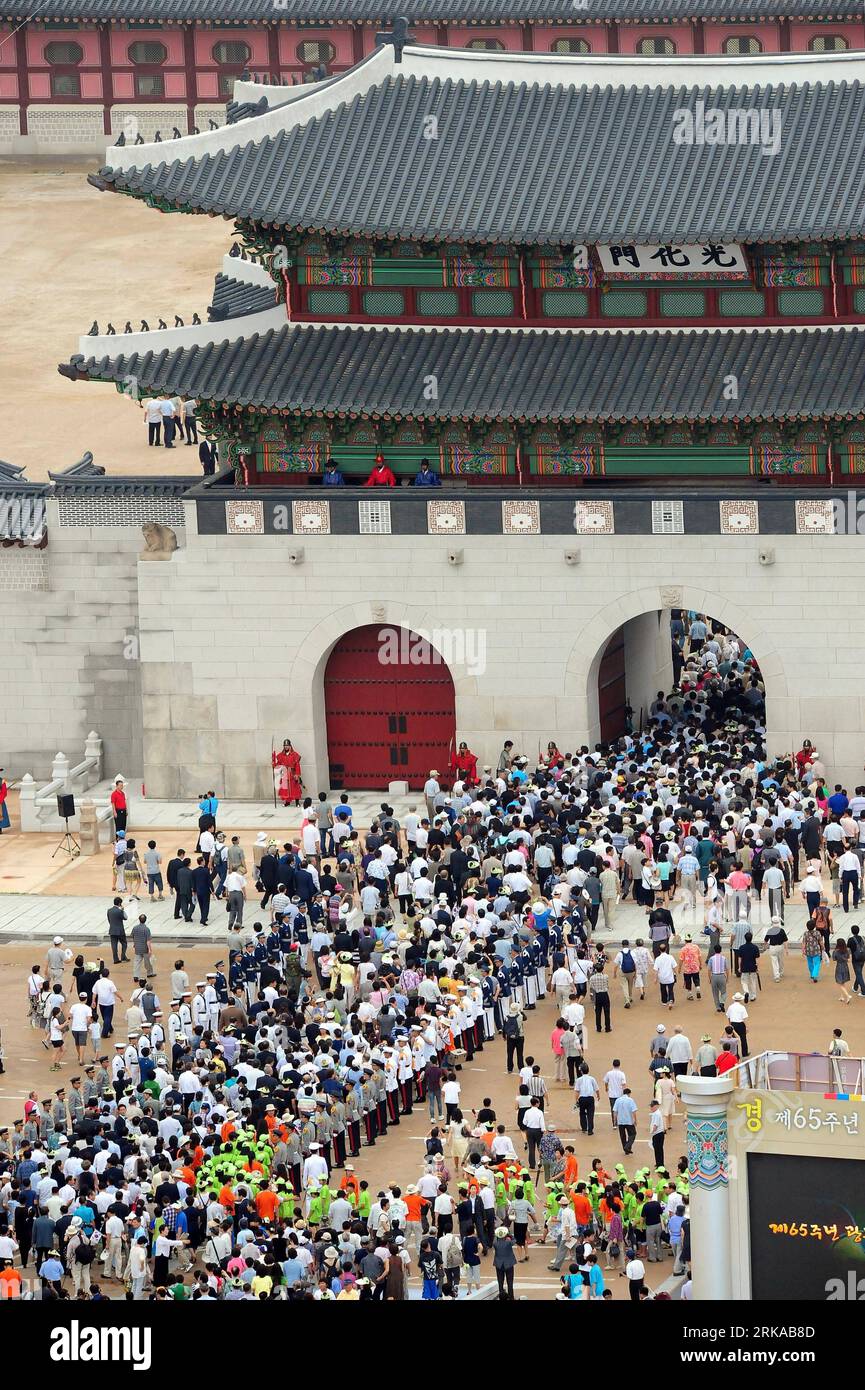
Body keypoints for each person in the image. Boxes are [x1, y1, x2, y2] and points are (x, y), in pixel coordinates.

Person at [272, 740, 303, 806]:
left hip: (293, 774)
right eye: (285, 746)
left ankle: (297, 802)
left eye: (287, 746)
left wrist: (297, 774)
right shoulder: (281, 755)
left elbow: (297, 765)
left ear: (290, 746)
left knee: (295, 788)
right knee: (286, 788)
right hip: (285, 774)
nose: (286, 747)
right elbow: (278, 765)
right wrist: (274, 764)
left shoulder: (295, 755)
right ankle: (287, 802)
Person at [492, 1227, 517, 1300]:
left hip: (499, 1264)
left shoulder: (495, 1243)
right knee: (510, 1282)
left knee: (500, 1282)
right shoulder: (508, 1242)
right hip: (509, 1264)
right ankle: (511, 1297)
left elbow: (494, 1240)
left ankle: (501, 1297)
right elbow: (514, 1240)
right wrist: (509, 1235)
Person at [107, 897, 128, 964]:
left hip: (112, 930)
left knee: (114, 945)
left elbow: (109, 920)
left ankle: (115, 959)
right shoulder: (119, 911)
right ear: (119, 903)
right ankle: (123, 957)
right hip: (120, 931)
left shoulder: (109, 910)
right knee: (124, 943)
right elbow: (125, 918)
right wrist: (122, 910)